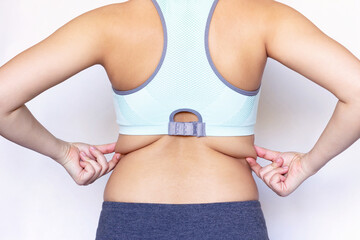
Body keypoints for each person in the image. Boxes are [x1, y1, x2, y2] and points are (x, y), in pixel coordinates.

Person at [0, 0, 359, 239]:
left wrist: (63, 152)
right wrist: (307, 165)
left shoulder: (109, 23)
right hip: (229, 220)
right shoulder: (263, 17)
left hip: (130, 219)